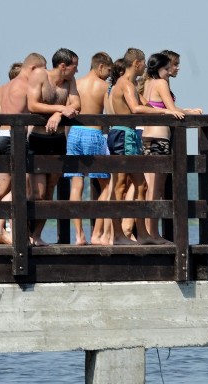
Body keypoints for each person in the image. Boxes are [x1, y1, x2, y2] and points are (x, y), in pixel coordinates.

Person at [107, 48, 183, 245]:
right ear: (137, 63)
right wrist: (166, 113)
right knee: (120, 186)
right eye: (142, 63)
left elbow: (148, 105)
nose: (144, 67)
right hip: (123, 134)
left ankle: (143, 234)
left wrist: (176, 110)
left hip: (131, 135)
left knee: (142, 186)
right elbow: (135, 108)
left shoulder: (130, 84)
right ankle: (117, 235)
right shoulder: (124, 84)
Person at [140, 52, 201, 244]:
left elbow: (163, 107)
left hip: (147, 137)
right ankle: (154, 234)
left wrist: (187, 110)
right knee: (155, 191)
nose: (168, 72)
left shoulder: (147, 83)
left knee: (150, 188)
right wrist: (190, 112)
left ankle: (148, 232)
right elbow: (171, 108)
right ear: (159, 69)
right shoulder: (160, 83)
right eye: (166, 69)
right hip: (159, 138)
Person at [26, 48, 81, 246]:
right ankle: (25, 232)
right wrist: (59, 108)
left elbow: (76, 104)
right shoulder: (40, 75)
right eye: (75, 66)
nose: (77, 70)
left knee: (50, 191)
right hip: (39, 140)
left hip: (58, 141)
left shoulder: (70, 82)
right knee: (37, 193)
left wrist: (60, 115)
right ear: (63, 66)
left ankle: (37, 234)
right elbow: (33, 105)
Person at [0, 54, 48, 245]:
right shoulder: (25, 86)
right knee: (22, 185)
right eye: (42, 70)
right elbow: (36, 106)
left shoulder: (6, 86)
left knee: (3, 188)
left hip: (1, 136)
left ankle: (1, 229)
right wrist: (59, 109)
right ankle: (8, 232)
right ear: (34, 68)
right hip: (15, 138)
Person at [65, 51, 113, 245]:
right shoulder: (104, 86)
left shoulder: (75, 83)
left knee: (76, 187)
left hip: (74, 133)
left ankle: (79, 235)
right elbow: (110, 114)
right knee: (107, 186)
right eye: (108, 71)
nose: (109, 75)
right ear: (100, 67)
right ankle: (97, 233)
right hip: (94, 134)